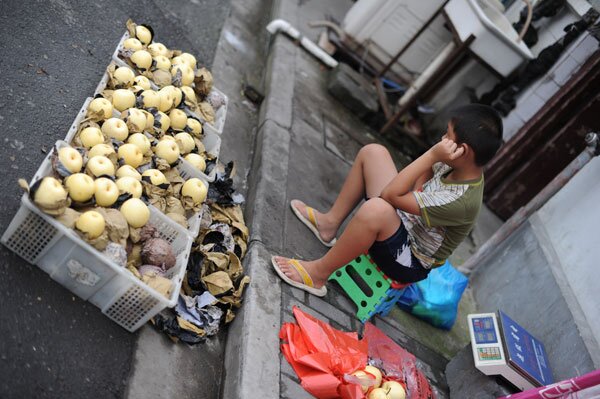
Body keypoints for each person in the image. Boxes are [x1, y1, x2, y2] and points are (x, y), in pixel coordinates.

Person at [271, 104, 503, 297]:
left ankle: (317, 274)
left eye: (447, 135)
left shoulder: (461, 201)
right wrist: (416, 191)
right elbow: (422, 176)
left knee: (377, 209)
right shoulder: (457, 162)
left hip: (409, 260)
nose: (442, 139)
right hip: (402, 223)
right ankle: (328, 224)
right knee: (374, 152)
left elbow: (390, 196)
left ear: (463, 150)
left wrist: (431, 155)